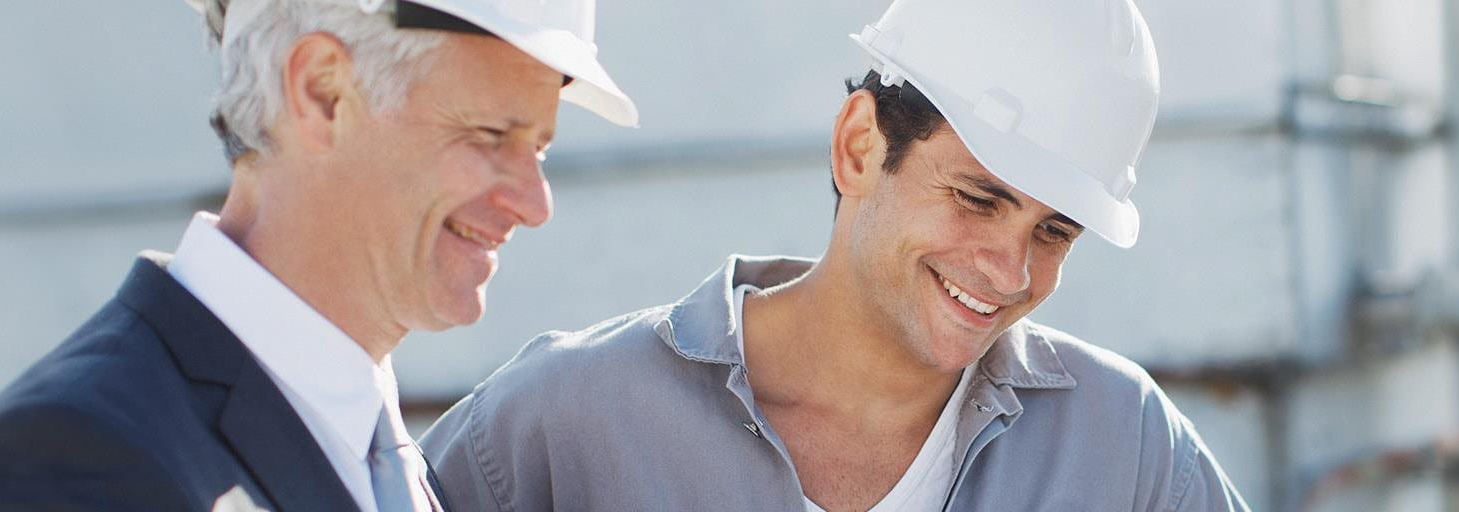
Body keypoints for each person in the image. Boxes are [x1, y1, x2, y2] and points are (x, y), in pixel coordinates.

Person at [416, 0, 1250, 510]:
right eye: (977, 198)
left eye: (1054, 231)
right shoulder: (567, 425)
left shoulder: (1123, 445)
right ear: (858, 147)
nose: (1010, 271)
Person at [0, 0, 636, 509]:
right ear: (322, 93)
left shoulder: (380, 451)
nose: (534, 203)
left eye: (541, 149)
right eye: (491, 135)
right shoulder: (82, 456)